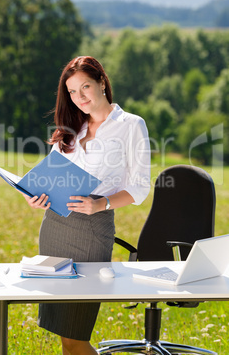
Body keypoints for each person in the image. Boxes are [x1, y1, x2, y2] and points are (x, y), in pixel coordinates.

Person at [22, 56, 151, 355]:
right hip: (54, 227)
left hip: (92, 230)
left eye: (85, 87)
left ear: (102, 83)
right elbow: (52, 174)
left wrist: (102, 203)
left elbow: (140, 187)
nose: (79, 98)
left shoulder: (130, 125)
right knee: (64, 336)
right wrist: (38, 196)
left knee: (76, 334)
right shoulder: (71, 127)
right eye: (72, 92)